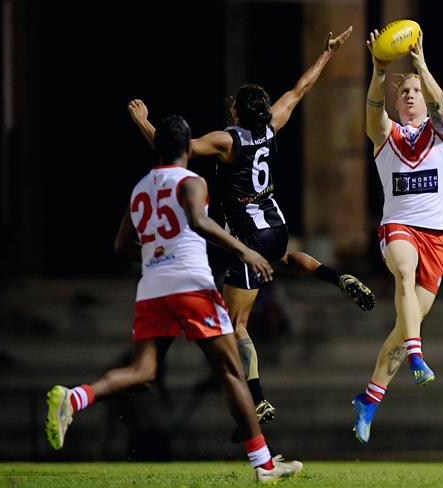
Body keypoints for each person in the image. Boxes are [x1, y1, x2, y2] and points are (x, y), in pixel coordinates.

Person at [127, 26, 375, 441]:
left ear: (239, 112)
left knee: (236, 324)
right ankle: (337, 277)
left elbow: (173, 152)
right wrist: (327, 54)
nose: (229, 106)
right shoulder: (271, 126)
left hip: (248, 239)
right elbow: (300, 88)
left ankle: (257, 397)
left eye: (233, 104)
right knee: (283, 258)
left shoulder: (228, 141)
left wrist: (143, 121)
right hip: (276, 226)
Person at [45, 115, 302, 482]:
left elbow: (120, 246)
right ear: (187, 148)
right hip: (191, 284)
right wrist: (244, 251)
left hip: (152, 288)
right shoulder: (191, 181)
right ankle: (263, 466)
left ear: (158, 148)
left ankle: (75, 397)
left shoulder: (139, 188)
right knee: (231, 371)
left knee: (142, 372)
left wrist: (156, 253)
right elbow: (198, 220)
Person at [351, 29, 443, 444]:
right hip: (398, 230)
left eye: (416, 90)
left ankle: (369, 399)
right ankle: (417, 353)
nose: (411, 95)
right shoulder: (386, 136)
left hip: (437, 239)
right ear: (397, 104)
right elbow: (371, 111)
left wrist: (420, 65)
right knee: (404, 273)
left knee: (405, 322)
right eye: (405, 92)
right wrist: (380, 72)